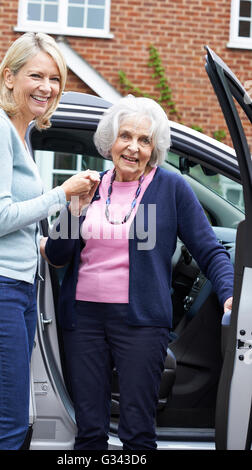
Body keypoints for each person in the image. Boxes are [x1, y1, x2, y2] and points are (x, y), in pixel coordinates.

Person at [40, 95, 234, 450]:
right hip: (82, 320)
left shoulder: (170, 188)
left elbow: (209, 249)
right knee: (89, 431)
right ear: (110, 142)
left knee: (138, 431)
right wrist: (72, 209)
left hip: (142, 323)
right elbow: (56, 255)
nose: (133, 147)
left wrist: (230, 294)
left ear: (154, 148)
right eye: (125, 136)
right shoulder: (90, 185)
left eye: (144, 140)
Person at [0, 32, 99, 450]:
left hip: (11, 287)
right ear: (10, 77)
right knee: (9, 425)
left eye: (55, 78)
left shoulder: (19, 135)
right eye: (36, 75)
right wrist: (61, 192)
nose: (47, 87)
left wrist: (72, 210)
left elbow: (20, 226)